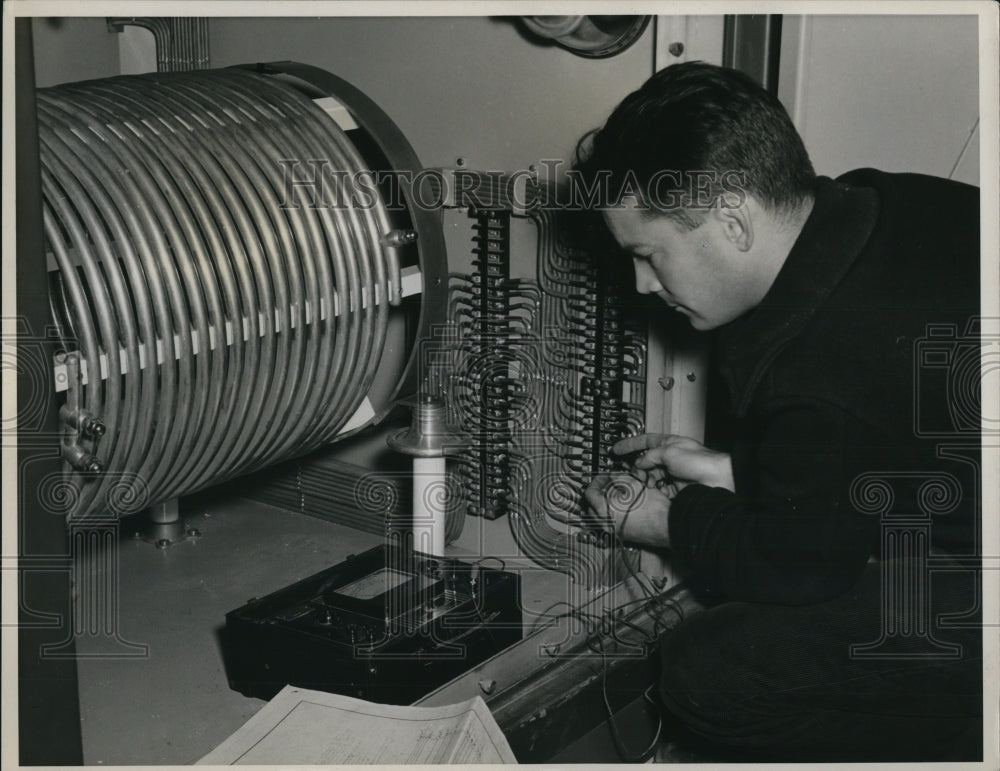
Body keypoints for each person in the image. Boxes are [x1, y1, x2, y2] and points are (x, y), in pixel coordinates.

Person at [576, 61, 983, 762]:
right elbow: (900, 439)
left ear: (733, 218)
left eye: (647, 254)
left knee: (708, 670)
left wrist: (666, 517)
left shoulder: (815, 371)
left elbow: (799, 567)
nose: (642, 284)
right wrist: (738, 470)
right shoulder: (889, 204)